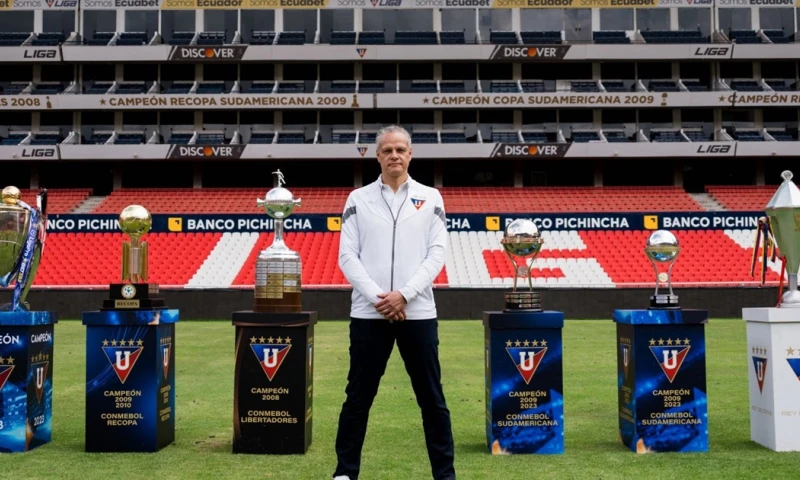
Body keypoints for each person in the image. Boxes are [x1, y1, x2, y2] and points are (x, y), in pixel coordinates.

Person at [333, 125, 455, 480]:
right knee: (358, 397)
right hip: (368, 314)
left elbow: (436, 255)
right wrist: (379, 298)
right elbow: (347, 256)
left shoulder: (431, 197)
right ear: (378, 156)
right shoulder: (358, 199)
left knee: (432, 399)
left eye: (401, 149)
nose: (395, 156)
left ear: (411, 154)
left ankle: (444, 474)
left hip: (418, 312)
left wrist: (405, 294)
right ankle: (345, 472)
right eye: (387, 150)